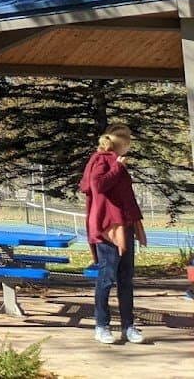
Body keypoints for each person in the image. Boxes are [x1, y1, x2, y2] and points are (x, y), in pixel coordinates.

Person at [79, 124, 147, 345]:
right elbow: (97, 186)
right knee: (106, 277)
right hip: (108, 229)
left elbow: (126, 196)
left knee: (125, 279)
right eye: (128, 141)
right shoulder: (101, 159)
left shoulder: (118, 163)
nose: (130, 145)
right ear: (121, 142)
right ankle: (101, 325)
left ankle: (128, 326)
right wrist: (116, 168)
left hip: (124, 226)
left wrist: (135, 223)